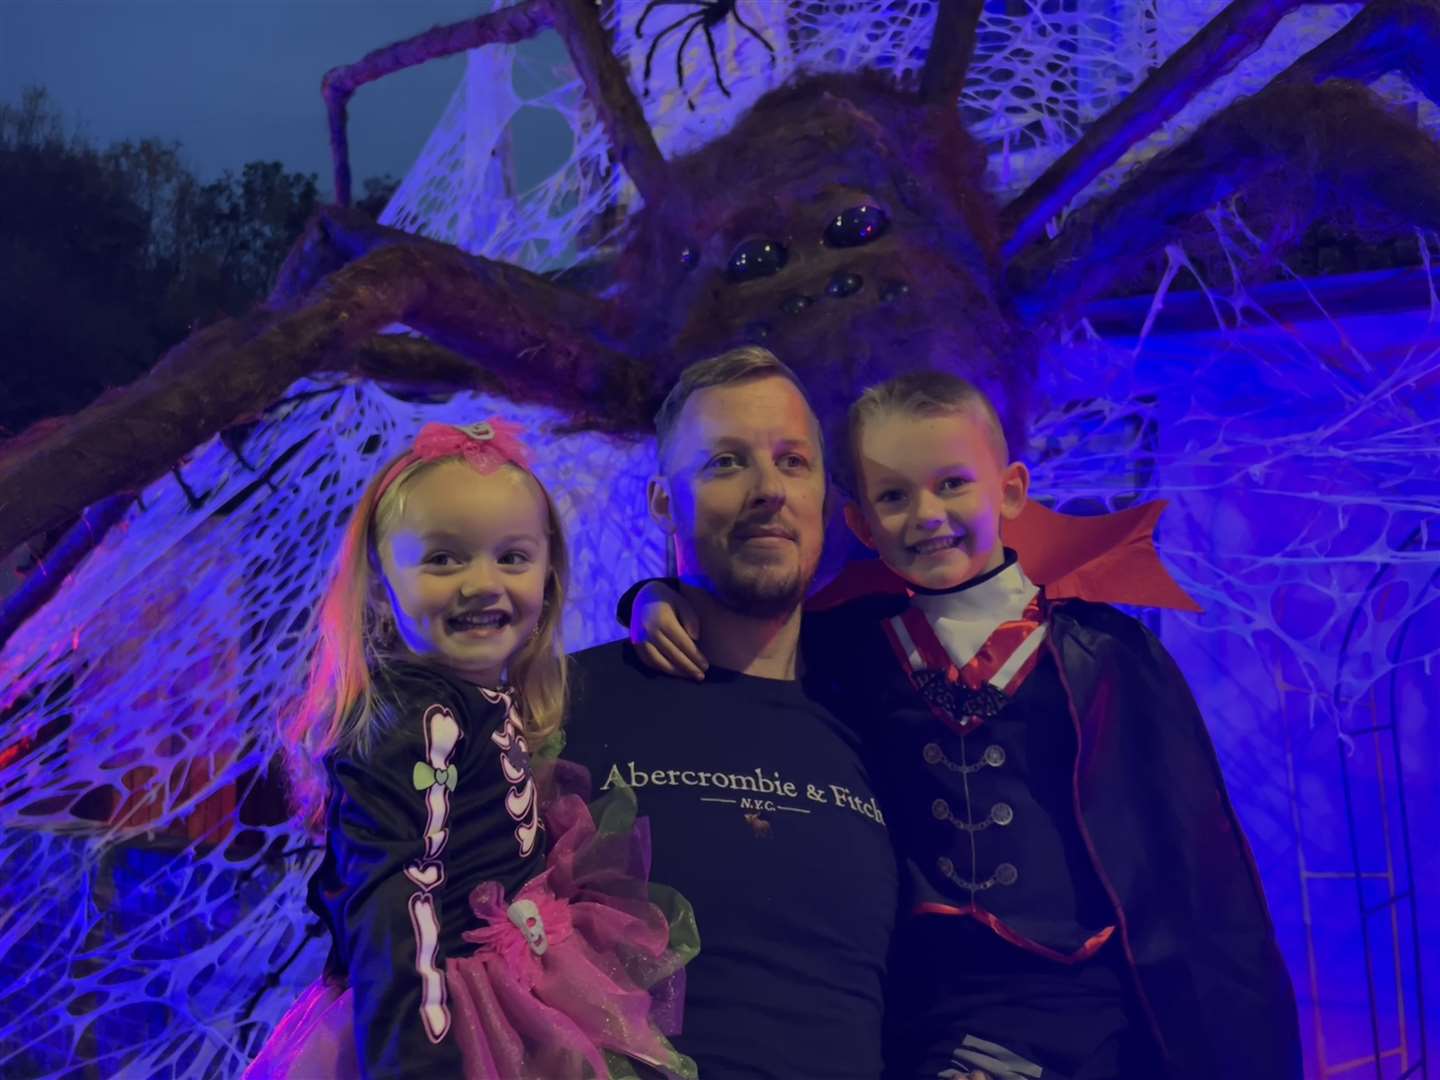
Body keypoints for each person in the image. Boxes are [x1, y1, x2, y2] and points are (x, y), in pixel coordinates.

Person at [631, 370, 1303, 1080]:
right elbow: (741, 618)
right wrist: (651, 598)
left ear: (1010, 489)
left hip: (1086, 1009)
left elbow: (1196, 872)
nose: (926, 514)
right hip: (927, 1012)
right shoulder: (847, 649)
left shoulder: (1106, 654)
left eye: (952, 483)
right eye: (893, 496)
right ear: (859, 524)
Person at [246, 420, 696, 1080]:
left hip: (519, 972)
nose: (482, 583)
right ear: (379, 585)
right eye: (443, 559)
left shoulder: (478, 695)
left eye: (511, 558)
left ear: (547, 582)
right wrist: (417, 1060)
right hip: (444, 1016)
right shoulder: (418, 722)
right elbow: (393, 903)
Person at [560, 348, 900, 1078]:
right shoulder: (568, 702)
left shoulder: (892, 719)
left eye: (793, 461)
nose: (769, 490)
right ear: (661, 501)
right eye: (725, 463)